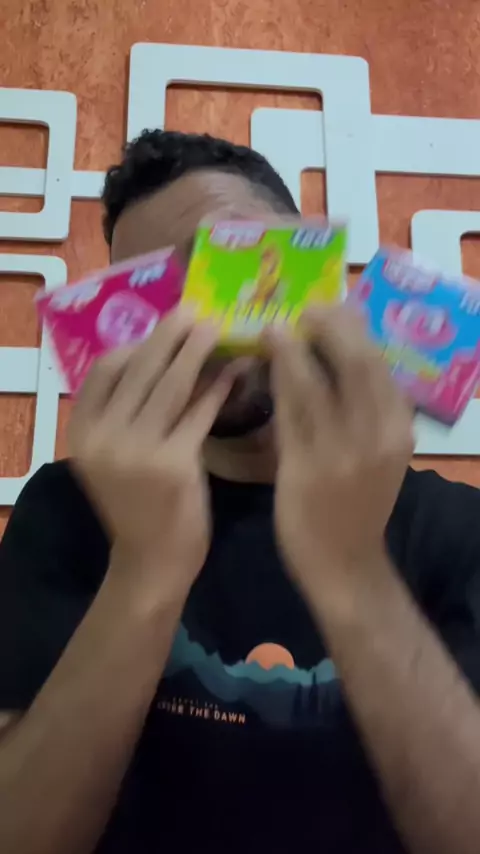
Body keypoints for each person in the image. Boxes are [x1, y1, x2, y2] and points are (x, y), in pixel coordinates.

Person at [0, 131, 480, 854]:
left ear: (319, 274)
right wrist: (145, 569)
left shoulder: (458, 526)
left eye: (231, 264)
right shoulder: (69, 508)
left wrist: (353, 571)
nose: (202, 322)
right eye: (159, 298)